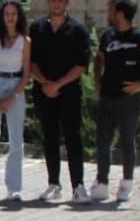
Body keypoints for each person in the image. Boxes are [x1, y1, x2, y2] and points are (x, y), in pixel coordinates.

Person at [89, 0, 140, 202]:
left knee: (126, 141)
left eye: (111, 9)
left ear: (121, 13)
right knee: (102, 141)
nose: (107, 12)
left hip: (128, 100)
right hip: (107, 96)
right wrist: (97, 78)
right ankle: (102, 182)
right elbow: (99, 58)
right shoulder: (108, 36)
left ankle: (126, 184)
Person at [30, 0, 91, 204]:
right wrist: (46, 83)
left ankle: (78, 186)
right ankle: (53, 184)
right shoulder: (37, 28)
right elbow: (31, 61)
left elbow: (81, 65)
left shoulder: (78, 29)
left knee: (73, 137)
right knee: (50, 137)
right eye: (52, 0)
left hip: (70, 92)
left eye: (60, 0)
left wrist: (58, 84)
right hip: (44, 92)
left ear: (66, 3)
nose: (56, 4)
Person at [0, 1, 32, 203]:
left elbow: (26, 74)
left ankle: (14, 188)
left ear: (18, 16)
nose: (10, 17)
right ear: (2, 17)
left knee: (16, 140)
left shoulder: (25, 41)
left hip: (15, 86)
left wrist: (12, 97)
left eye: (13, 13)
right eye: (6, 14)